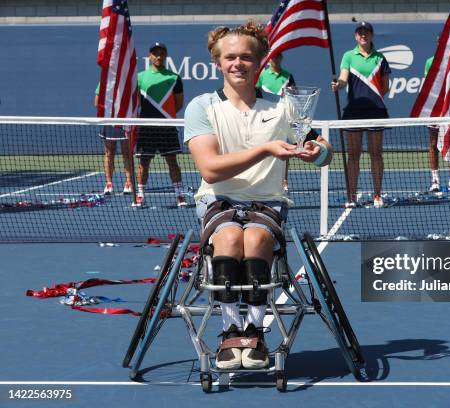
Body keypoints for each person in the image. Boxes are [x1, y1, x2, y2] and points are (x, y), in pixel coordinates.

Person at [184, 21, 332, 370]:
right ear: (218, 62)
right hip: (218, 200)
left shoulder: (283, 109)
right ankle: (229, 332)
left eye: (247, 57)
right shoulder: (202, 107)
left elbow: (323, 150)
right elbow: (210, 169)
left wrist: (317, 151)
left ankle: (254, 332)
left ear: (260, 62)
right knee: (231, 236)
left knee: (255, 238)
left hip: (267, 203)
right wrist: (266, 149)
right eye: (230, 57)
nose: (238, 63)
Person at [331, 21, 391, 208]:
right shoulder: (348, 56)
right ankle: (351, 196)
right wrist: (338, 85)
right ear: (356, 36)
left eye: (367, 32)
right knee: (353, 155)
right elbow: (343, 79)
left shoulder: (380, 58)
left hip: (376, 111)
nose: (363, 35)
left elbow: (386, 86)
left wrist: (372, 96)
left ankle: (377, 195)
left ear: (372, 35)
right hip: (353, 112)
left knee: (376, 154)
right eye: (360, 32)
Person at [134, 42, 186, 207]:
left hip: (166, 126)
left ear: (165, 55)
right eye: (155, 53)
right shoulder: (140, 77)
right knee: (144, 163)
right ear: (149, 56)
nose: (158, 56)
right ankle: (140, 195)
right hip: (146, 127)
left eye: (161, 53)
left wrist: (164, 115)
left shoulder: (174, 77)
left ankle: (179, 195)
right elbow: (136, 103)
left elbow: (178, 104)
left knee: (172, 161)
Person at [423, 53, 450, 192]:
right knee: (433, 143)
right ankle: (435, 180)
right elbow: (427, 85)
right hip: (435, 108)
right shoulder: (430, 61)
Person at [256, 52, 296, 191]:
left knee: (284, 149)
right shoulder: (262, 75)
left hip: (282, 117)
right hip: (264, 117)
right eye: (273, 57)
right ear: (269, 58)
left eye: (278, 56)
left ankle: (284, 179)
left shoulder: (288, 76)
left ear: (281, 58)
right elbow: (256, 93)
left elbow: (293, 96)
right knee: (264, 148)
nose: (275, 59)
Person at [94, 84, 134, 195]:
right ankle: (109, 184)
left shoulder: (128, 79)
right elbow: (97, 102)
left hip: (125, 121)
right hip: (110, 121)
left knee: (127, 153)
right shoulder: (105, 81)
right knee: (109, 153)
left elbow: (137, 102)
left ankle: (129, 182)